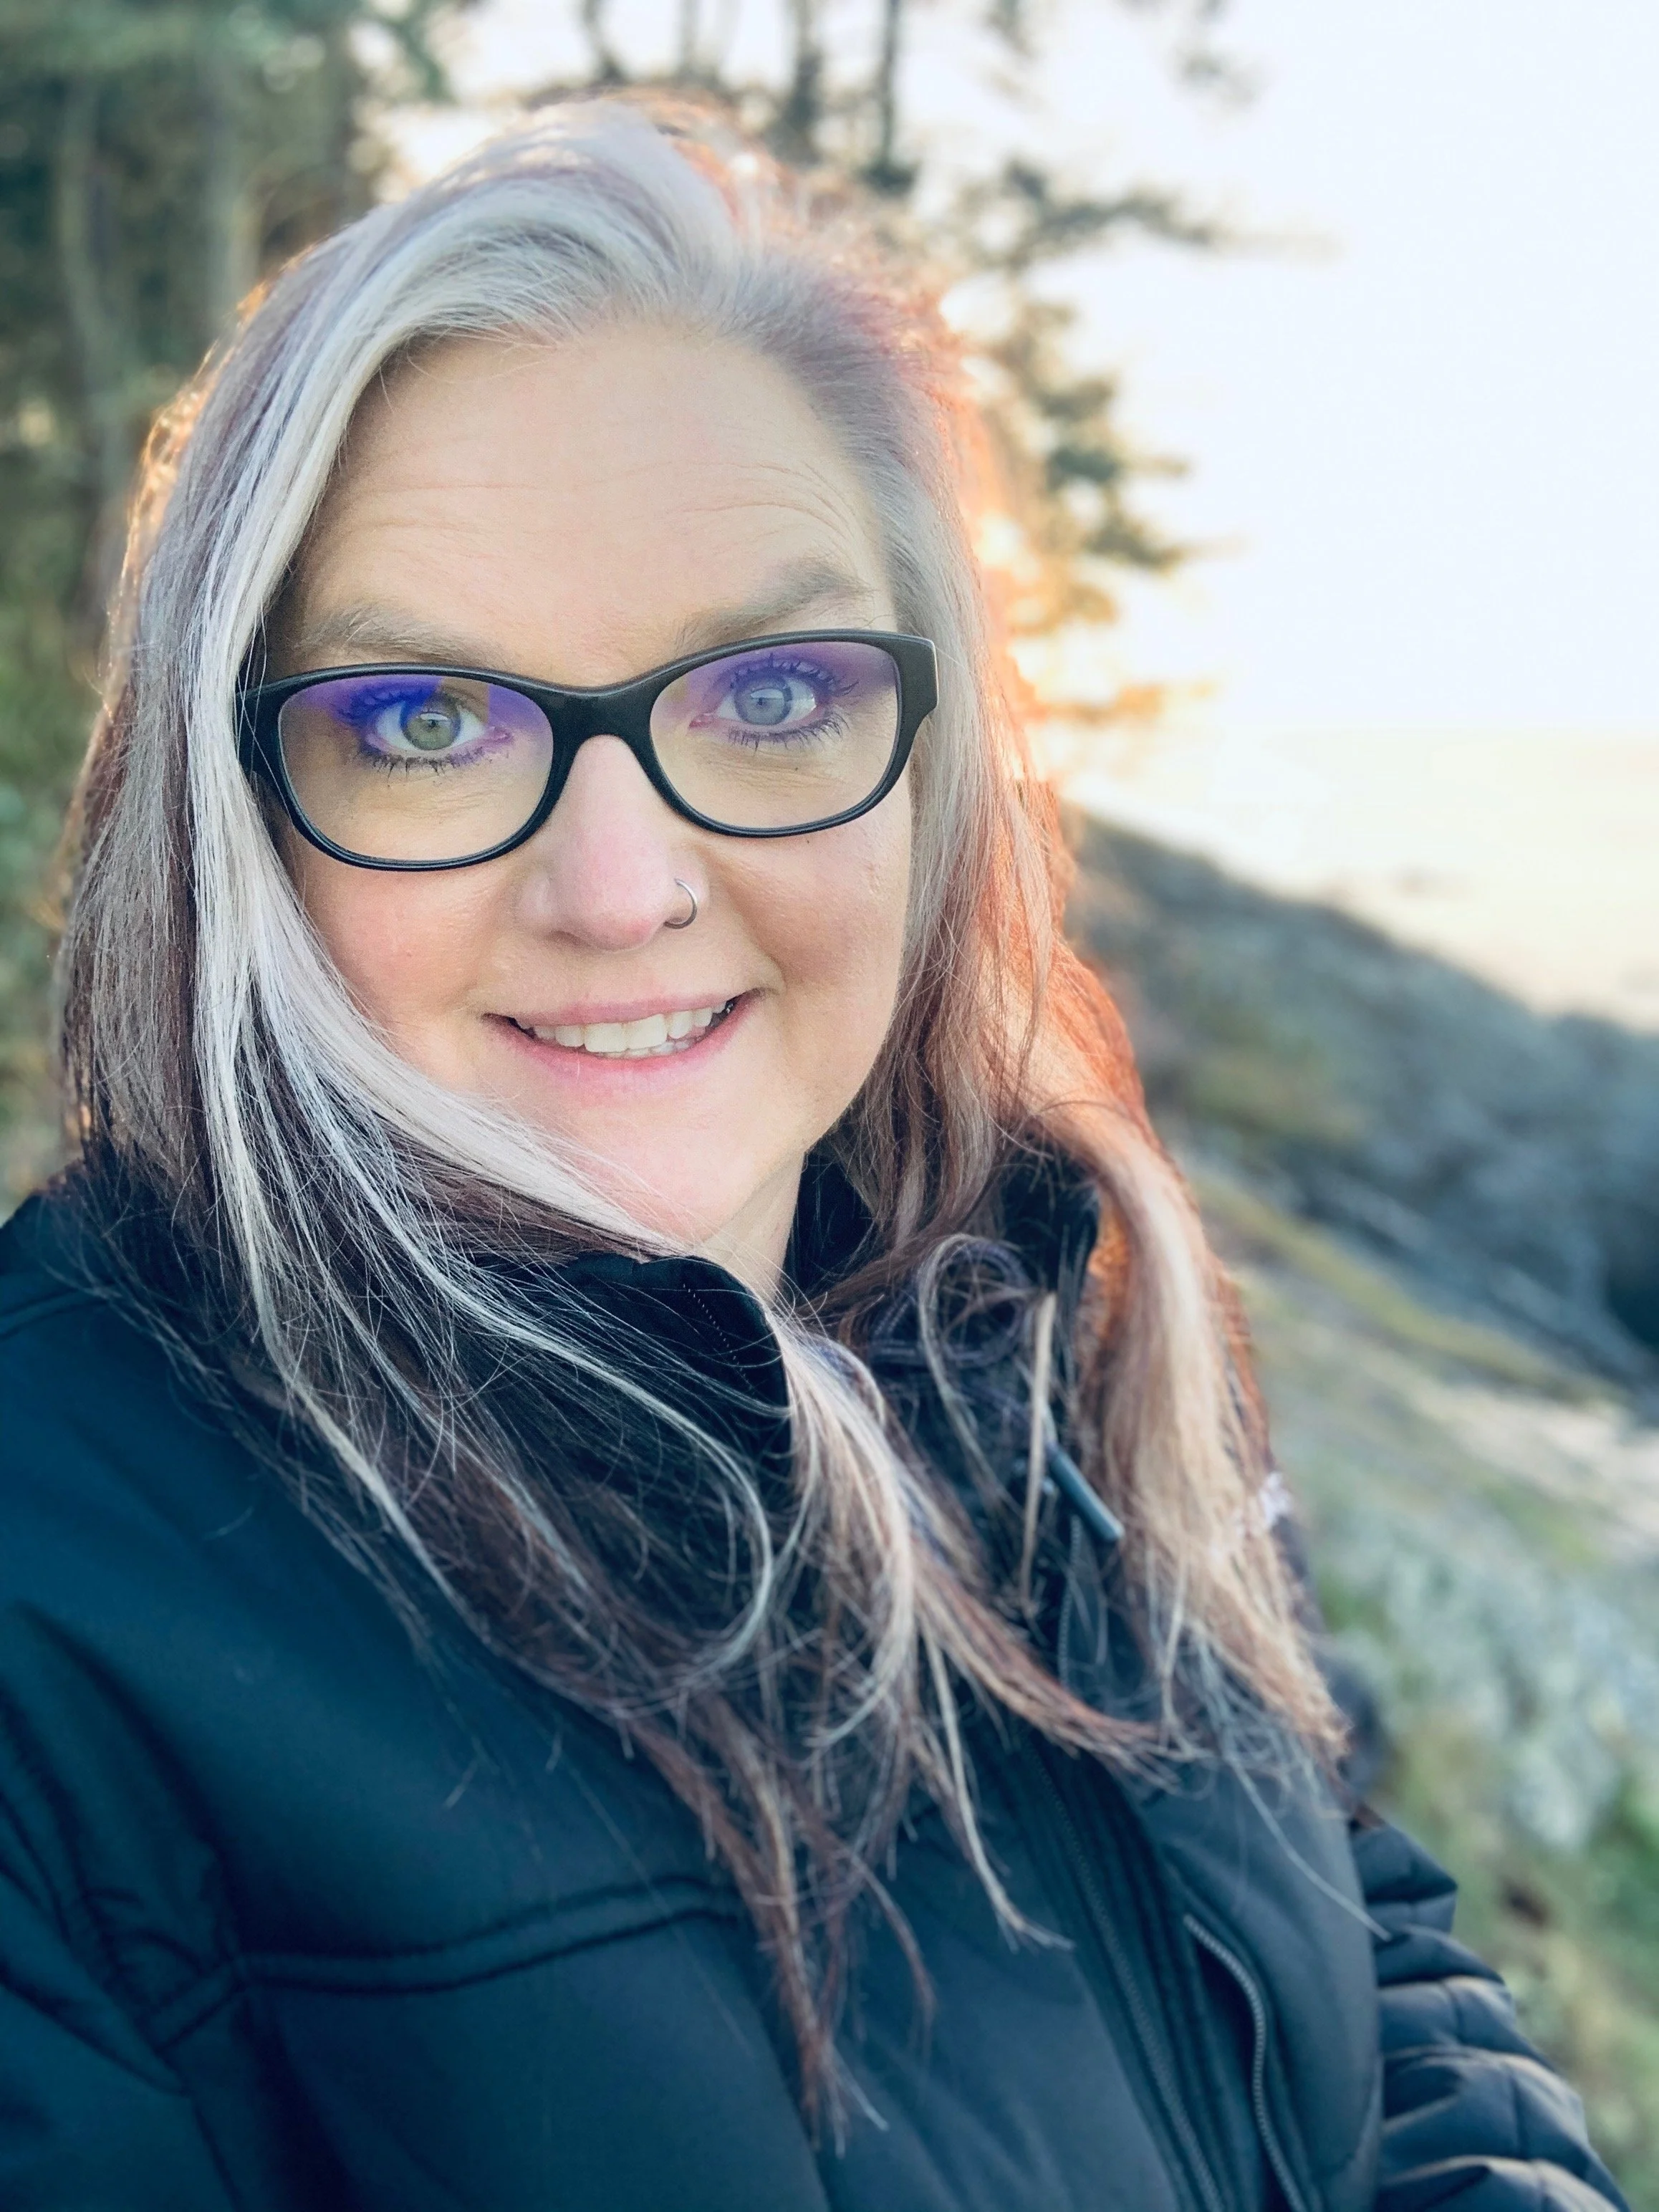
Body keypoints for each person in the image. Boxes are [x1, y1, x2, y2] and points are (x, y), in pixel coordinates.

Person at [0, 103, 1625, 2212]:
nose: (618, 886)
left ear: (931, 761)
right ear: (229, 807)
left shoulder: (1047, 1334)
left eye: (769, 692)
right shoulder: (54, 1614)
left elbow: (1359, 1960)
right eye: (421, 722)